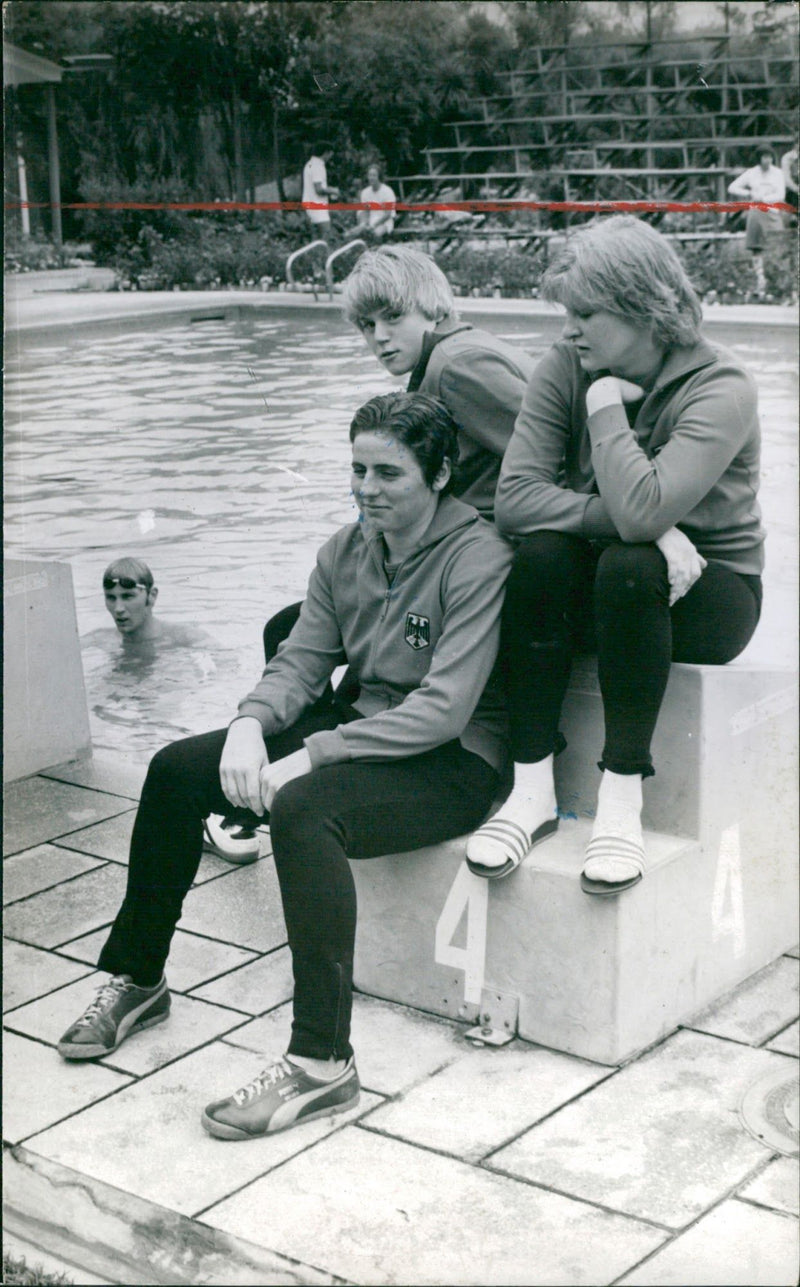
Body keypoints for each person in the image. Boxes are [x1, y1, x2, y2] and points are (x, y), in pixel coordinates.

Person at [57, 392, 513, 1142]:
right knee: (175, 769)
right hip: (364, 729)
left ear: (439, 475)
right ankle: (140, 978)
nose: (367, 488)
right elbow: (302, 660)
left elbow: (444, 708)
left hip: (455, 762)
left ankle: (323, 1060)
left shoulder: (478, 557)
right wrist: (248, 722)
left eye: (389, 473)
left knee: (305, 808)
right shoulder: (345, 549)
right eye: (358, 469)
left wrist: (312, 752)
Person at [465, 215, 764, 897]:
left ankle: (622, 792)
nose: (570, 329)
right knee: (541, 555)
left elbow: (640, 510)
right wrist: (650, 527)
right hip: (613, 576)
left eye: (586, 313)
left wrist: (604, 407)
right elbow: (514, 499)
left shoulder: (723, 388)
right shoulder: (562, 362)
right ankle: (532, 784)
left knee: (630, 565)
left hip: (710, 594)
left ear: (644, 309)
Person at [86, 558, 258, 863]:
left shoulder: (180, 636)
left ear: (152, 596)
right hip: (127, 691)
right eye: (110, 598)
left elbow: (229, 663)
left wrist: (201, 683)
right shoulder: (102, 640)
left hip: (168, 688)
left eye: (128, 597)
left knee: (162, 727)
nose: (118, 609)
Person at [728, 146, 787, 296]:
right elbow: (732, 187)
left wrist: (764, 199)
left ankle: (778, 282)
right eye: (764, 157)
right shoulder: (752, 173)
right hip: (755, 213)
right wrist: (749, 193)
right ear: (759, 158)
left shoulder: (778, 174)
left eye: (769, 157)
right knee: (756, 248)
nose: (767, 160)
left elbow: (780, 194)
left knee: (776, 247)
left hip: (772, 212)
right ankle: (760, 281)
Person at [301, 142, 339, 240]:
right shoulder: (318, 166)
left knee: (316, 239)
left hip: (310, 205)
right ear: (326, 153)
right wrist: (333, 190)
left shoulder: (309, 164)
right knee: (326, 238)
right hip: (317, 207)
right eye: (330, 154)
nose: (330, 157)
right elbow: (319, 189)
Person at [356, 163, 396, 239]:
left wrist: (373, 225)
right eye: (370, 175)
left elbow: (387, 214)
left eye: (374, 175)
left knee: (375, 235)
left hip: (384, 222)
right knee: (356, 234)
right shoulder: (365, 192)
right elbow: (365, 211)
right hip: (370, 220)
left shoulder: (387, 191)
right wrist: (363, 224)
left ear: (379, 177)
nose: (371, 178)